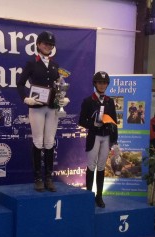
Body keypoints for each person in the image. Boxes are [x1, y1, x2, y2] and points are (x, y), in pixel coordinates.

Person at [17, 31, 70, 192]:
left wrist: (62, 98)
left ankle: (49, 178)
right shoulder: (31, 63)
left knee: (49, 141)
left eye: (50, 45)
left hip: (52, 107)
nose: (48, 46)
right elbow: (20, 84)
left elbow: (58, 85)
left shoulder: (55, 66)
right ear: (39, 44)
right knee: (38, 141)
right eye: (45, 44)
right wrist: (26, 98)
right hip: (37, 107)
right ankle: (38, 178)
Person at [79, 71, 118, 208]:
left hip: (106, 137)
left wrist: (115, 140)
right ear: (95, 84)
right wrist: (92, 124)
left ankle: (99, 196)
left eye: (105, 83)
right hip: (94, 136)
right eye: (100, 83)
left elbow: (114, 121)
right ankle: (89, 195)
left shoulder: (110, 101)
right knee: (91, 165)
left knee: (101, 167)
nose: (102, 85)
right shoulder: (88, 101)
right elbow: (81, 120)